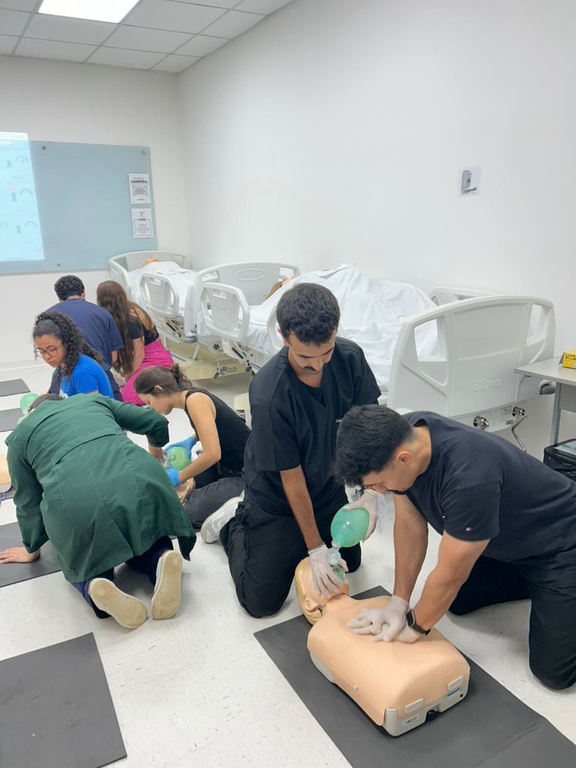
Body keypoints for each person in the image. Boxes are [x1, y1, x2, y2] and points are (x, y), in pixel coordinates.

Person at [333, 405, 576, 691]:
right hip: (509, 542)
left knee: (553, 674)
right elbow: (410, 524)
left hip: (561, 544)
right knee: (458, 602)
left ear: (403, 459)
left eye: (380, 483)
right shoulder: (406, 433)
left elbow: (451, 575)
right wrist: (399, 603)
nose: (381, 491)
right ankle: (546, 589)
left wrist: (414, 628)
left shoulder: (469, 479)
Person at [201, 282, 381, 618]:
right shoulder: (270, 392)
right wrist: (314, 548)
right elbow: (291, 477)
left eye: (325, 353)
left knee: (351, 564)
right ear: (284, 337)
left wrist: (370, 493)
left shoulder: (350, 358)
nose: (318, 366)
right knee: (261, 604)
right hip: (276, 497)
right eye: (305, 357)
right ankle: (232, 522)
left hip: (326, 486)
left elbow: (368, 430)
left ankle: (300, 539)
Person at [0, 394, 196, 628]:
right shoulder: (92, 401)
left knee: (83, 559)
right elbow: (156, 421)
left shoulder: (20, 437)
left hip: (76, 500)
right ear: (61, 402)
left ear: (31, 413)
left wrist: (32, 547)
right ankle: (162, 559)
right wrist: (155, 454)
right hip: (138, 477)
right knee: (146, 534)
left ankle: (94, 586)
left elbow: (27, 501)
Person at [134, 364, 250, 528]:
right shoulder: (192, 397)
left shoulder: (195, 400)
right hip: (226, 464)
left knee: (186, 514)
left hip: (246, 472)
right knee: (188, 486)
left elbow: (212, 455)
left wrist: (178, 477)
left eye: (149, 401)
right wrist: (191, 440)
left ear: (158, 389)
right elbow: (217, 424)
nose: (152, 407)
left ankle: (242, 502)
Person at [46, 274, 124, 400]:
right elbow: (113, 356)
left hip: (65, 379)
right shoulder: (103, 313)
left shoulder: (49, 316)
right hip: (101, 374)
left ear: (59, 299)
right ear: (83, 293)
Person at [96, 280, 173, 406]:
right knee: (113, 391)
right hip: (144, 361)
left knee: (124, 399)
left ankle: (159, 387)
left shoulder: (131, 320)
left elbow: (139, 354)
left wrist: (129, 376)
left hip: (155, 360)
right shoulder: (124, 313)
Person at [33, 311, 114, 398]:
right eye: (41, 351)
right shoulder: (63, 369)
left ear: (66, 343)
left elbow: (92, 410)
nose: (47, 356)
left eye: (52, 349)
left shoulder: (82, 371)